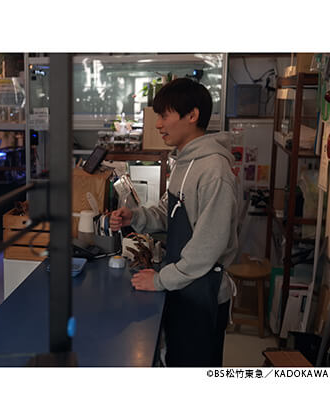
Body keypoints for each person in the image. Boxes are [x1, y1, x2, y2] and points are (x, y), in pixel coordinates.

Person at [110, 78, 239, 367]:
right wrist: (136, 216)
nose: (158, 124)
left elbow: (207, 246)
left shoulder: (214, 171)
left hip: (203, 294)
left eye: (164, 115)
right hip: (183, 286)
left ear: (192, 115)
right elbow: (171, 210)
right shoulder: (184, 161)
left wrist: (159, 280)